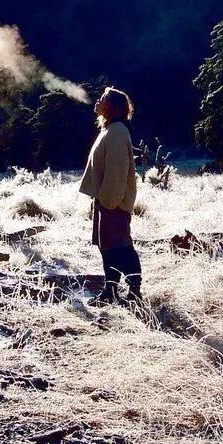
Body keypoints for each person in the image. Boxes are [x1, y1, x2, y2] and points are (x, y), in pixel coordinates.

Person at [80, 86, 143, 305]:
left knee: (121, 246)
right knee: (108, 247)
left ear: (112, 107)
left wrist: (109, 202)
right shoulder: (110, 129)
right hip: (107, 200)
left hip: (112, 201)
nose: (97, 101)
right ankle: (111, 291)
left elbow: (117, 170)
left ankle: (135, 293)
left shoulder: (116, 131)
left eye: (103, 99)